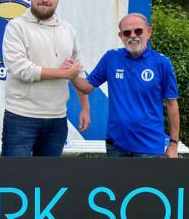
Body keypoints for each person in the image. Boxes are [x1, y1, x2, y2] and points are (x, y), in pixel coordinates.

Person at [1, 0, 90, 156]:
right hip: (21, 117)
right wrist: (63, 74)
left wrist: (85, 108)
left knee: (49, 175)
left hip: (57, 120)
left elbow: (78, 71)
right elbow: (21, 70)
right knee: (13, 173)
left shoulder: (68, 30)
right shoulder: (16, 27)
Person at [69, 13, 180, 158]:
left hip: (149, 148)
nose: (133, 36)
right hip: (116, 146)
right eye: (127, 33)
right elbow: (86, 87)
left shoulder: (162, 63)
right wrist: (71, 74)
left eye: (138, 31)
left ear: (148, 32)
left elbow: (172, 104)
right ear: (121, 36)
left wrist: (173, 144)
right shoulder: (111, 58)